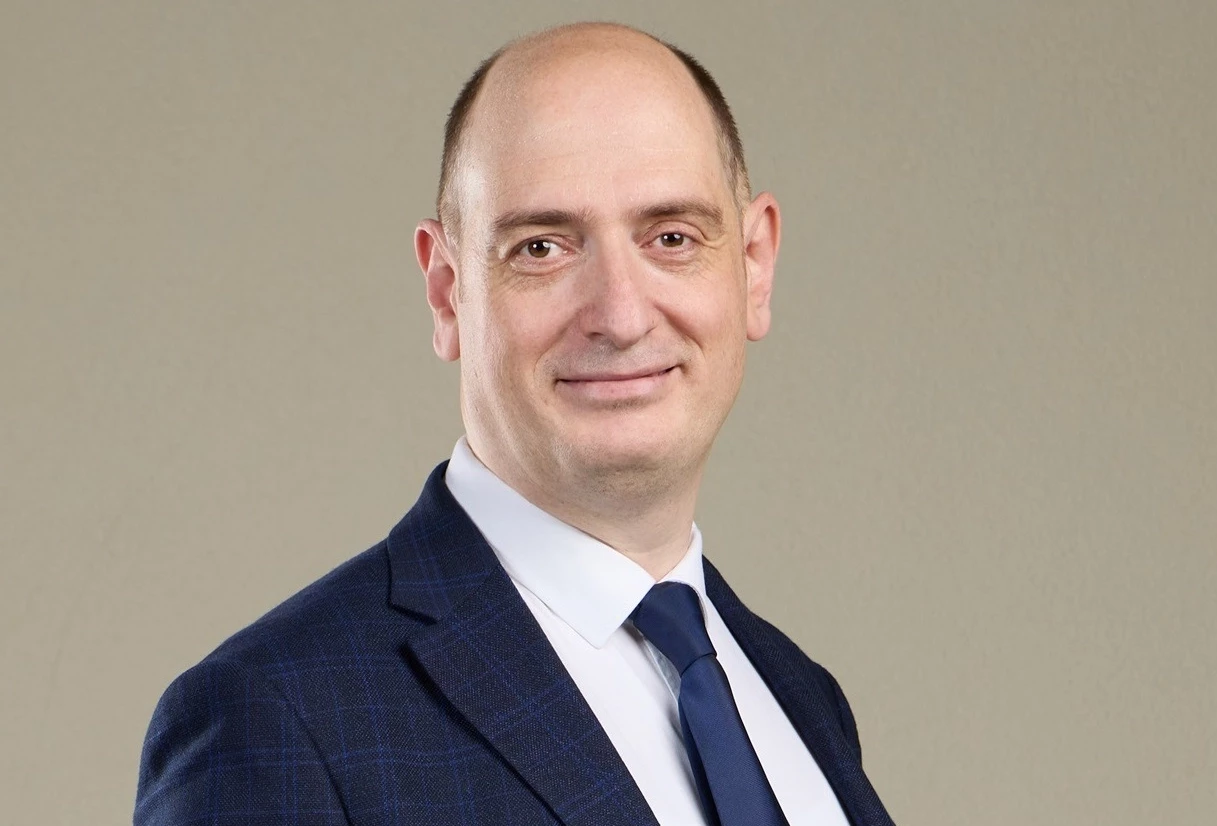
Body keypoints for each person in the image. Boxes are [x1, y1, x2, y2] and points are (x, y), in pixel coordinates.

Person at [134, 22, 895, 826]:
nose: (621, 315)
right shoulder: (276, 721)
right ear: (446, 290)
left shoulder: (799, 699)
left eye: (672, 238)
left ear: (754, 266)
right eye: (542, 248)